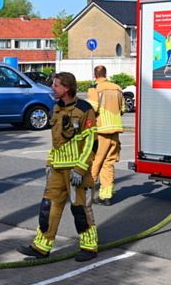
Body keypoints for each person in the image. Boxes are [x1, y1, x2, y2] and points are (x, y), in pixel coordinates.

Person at [19, 72, 99, 262]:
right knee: (49, 207)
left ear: (67, 88)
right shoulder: (56, 108)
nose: (52, 89)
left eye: (55, 85)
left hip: (76, 171)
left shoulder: (84, 109)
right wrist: (50, 164)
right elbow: (57, 142)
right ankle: (41, 247)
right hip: (57, 169)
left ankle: (89, 247)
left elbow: (91, 143)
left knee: (80, 210)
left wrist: (80, 169)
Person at [87, 65, 126, 205]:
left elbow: (92, 109)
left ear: (95, 76)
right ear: (106, 74)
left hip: (101, 131)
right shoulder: (117, 88)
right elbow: (122, 109)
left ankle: (85, 194)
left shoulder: (95, 88)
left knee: (95, 162)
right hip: (115, 130)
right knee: (108, 163)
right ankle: (106, 196)